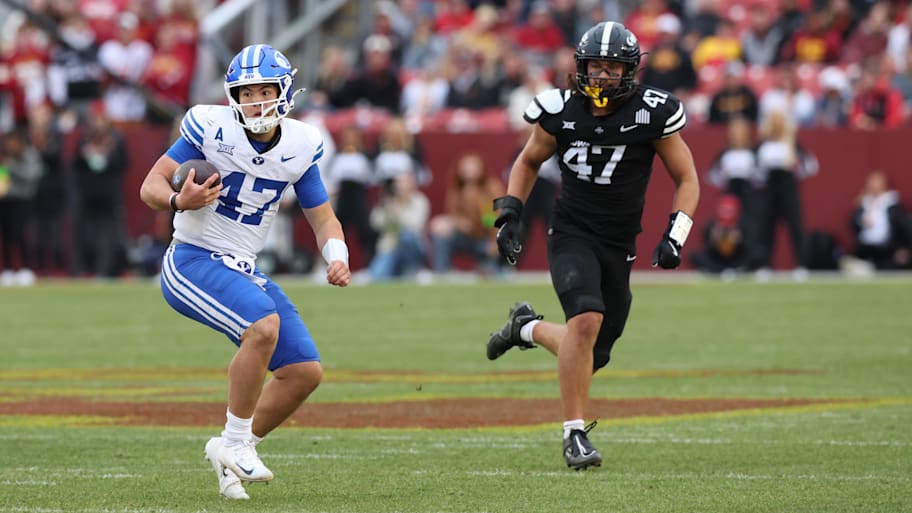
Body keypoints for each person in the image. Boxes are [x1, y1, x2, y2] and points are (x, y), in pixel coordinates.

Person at [139, 44, 351, 500]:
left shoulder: (300, 144)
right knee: (263, 325)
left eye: (264, 91)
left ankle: (233, 447)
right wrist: (178, 200)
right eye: (247, 93)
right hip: (192, 258)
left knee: (303, 372)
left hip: (241, 265)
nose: (255, 102)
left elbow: (323, 218)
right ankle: (235, 442)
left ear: (284, 91)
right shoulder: (210, 127)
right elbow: (150, 184)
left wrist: (337, 255)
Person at [485, 21, 700, 471]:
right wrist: (509, 215)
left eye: (612, 68)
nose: (602, 75)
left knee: (592, 352)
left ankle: (525, 328)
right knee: (585, 321)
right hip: (572, 233)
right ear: (581, 67)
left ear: (629, 71)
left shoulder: (651, 113)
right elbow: (528, 161)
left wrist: (675, 234)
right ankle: (574, 435)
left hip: (619, 242)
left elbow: (687, 177)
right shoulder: (560, 110)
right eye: (595, 66)